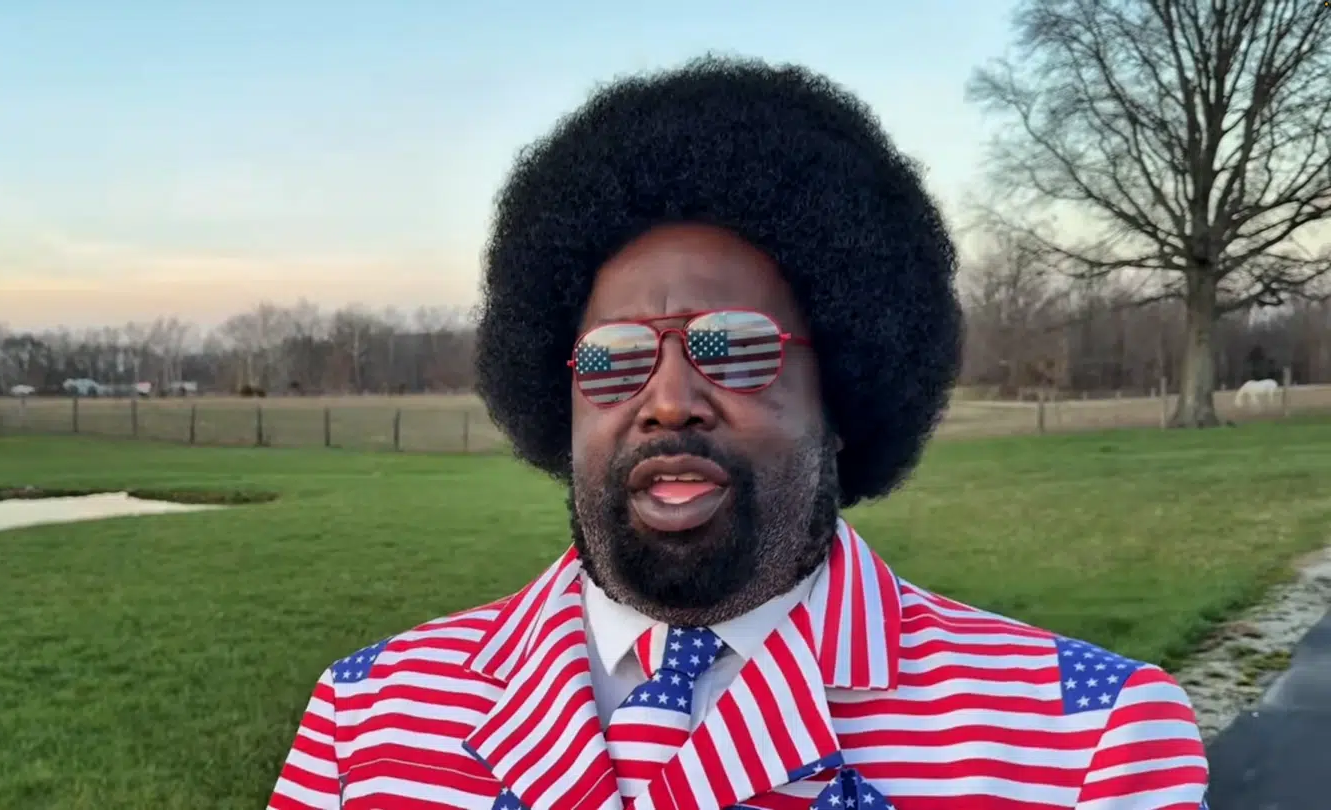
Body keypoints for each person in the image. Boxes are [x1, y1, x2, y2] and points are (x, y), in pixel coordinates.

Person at [266, 56, 1210, 810]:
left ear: (841, 391)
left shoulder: (1084, 743)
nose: (669, 399)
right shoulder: (369, 720)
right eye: (613, 357)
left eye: (735, 346)